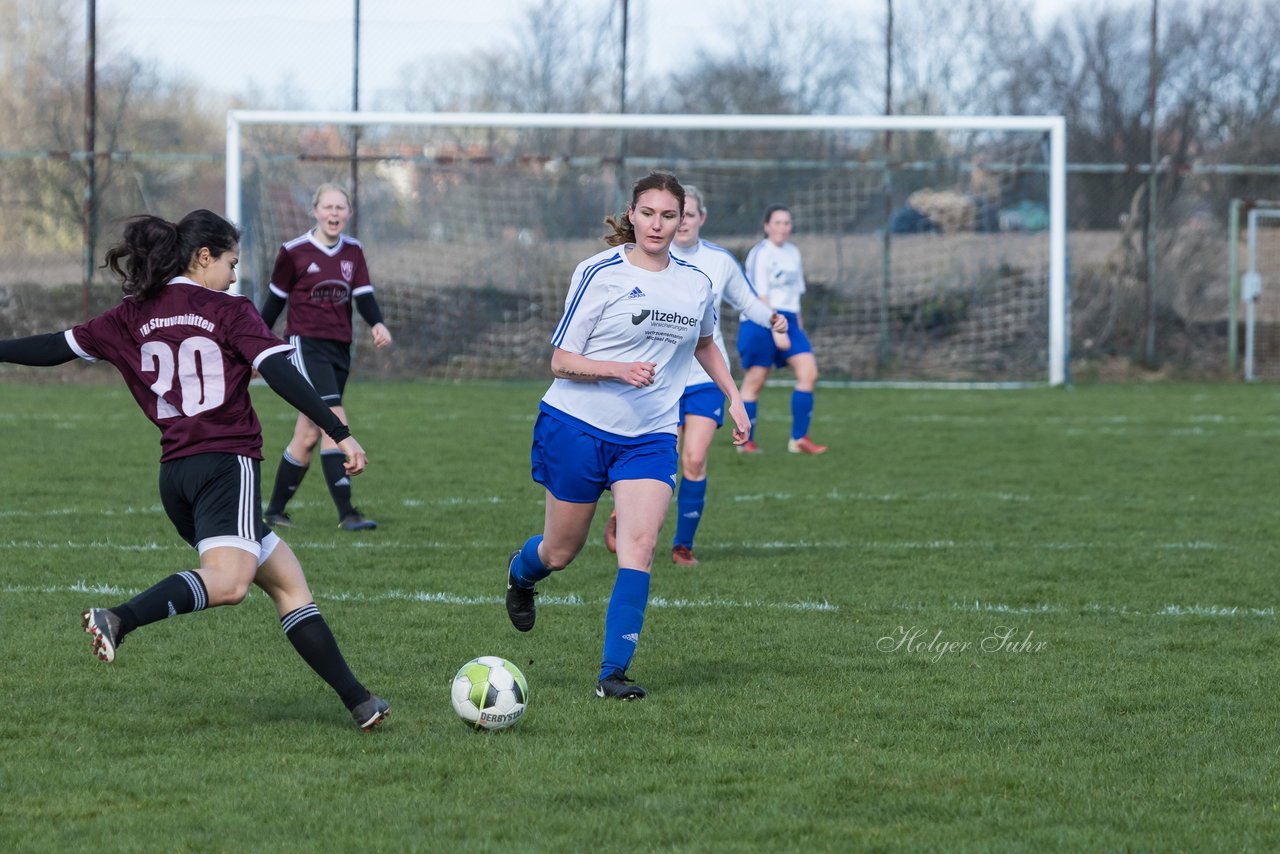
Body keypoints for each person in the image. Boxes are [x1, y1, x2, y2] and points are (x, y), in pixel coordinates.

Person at [0, 210, 390, 731]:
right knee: (230, 584)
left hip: (177, 479)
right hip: (226, 465)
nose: (233, 274)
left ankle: (360, 701)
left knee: (289, 585)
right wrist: (339, 431)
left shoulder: (131, 314)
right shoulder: (227, 308)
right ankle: (118, 618)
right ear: (203, 257)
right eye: (230, 262)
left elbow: (54, 347)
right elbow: (278, 370)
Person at [503, 172, 751, 701]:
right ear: (632, 215)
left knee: (639, 547)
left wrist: (733, 396)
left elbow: (706, 342)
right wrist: (618, 369)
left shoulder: (696, 282)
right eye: (649, 213)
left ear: (683, 219)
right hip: (577, 426)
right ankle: (521, 575)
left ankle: (612, 673)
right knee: (560, 551)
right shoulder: (598, 273)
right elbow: (561, 361)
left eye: (670, 215)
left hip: (650, 435)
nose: (659, 224)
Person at [603, 184, 788, 566]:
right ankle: (626, 513)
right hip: (658, 378)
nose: (681, 222)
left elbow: (747, 301)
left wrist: (771, 318)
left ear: (700, 218)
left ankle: (682, 545)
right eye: (675, 215)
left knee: (695, 459)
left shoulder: (718, 262)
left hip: (704, 379)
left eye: (687, 215)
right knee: (659, 460)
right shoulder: (649, 261)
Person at [259, 183, 392, 532]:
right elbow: (273, 304)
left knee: (307, 435)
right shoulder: (293, 252)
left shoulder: (353, 251)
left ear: (348, 213)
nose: (334, 214)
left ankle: (273, 511)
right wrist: (253, 345)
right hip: (304, 345)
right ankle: (348, 513)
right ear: (315, 211)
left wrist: (377, 322)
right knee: (334, 421)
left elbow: (363, 296)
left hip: (339, 348)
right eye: (328, 207)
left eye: (340, 208)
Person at [737, 204, 828, 455]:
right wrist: (776, 328)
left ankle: (799, 439)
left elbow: (795, 294)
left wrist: (797, 326)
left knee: (808, 373)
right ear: (767, 226)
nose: (782, 227)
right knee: (755, 381)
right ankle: (746, 442)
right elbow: (759, 295)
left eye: (786, 223)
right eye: (777, 222)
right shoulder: (760, 253)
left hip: (788, 319)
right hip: (761, 320)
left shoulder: (793, 253)